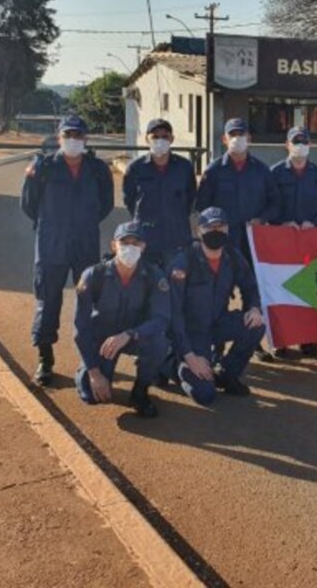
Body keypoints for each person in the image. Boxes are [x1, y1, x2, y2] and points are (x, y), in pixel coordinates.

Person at [21, 115, 114, 387]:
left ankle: (91, 359)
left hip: (85, 241)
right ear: (59, 137)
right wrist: (52, 225)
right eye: (68, 135)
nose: (73, 140)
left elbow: (105, 204)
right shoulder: (43, 167)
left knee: (89, 300)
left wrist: (83, 224)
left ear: (86, 139)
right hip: (52, 242)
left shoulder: (97, 169)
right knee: (48, 299)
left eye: (78, 135)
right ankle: (45, 358)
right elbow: (29, 204)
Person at [73, 222, 170, 418]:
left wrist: (130, 334)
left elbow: (161, 319)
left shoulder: (153, 275)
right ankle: (89, 370)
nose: (130, 248)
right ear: (113, 245)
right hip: (104, 340)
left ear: (144, 247)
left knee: (159, 342)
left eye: (136, 243)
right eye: (124, 242)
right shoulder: (94, 275)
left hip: (134, 335)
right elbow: (80, 328)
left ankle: (140, 391)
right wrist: (94, 372)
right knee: (91, 394)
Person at [168, 208, 267, 400]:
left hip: (217, 322)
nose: (215, 231)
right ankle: (172, 364)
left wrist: (253, 308)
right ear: (199, 231)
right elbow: (174, 314)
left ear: (227, 229)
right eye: (209, 227)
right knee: (204, 394)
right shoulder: (183, 262)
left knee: (256, 326)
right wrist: (190, 356)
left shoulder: (232, 256)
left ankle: (227, 375)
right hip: (191, 332)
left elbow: (250, 286)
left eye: (220, 226)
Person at [270, 126, 317, 357]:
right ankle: (282, 340)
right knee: (283, 291)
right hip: (283, 243)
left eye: (304, 142)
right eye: (295, 141)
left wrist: (314, 222)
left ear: (310, 145)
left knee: (310, 290)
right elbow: (269, 205)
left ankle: (307, 338)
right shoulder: (275, 173)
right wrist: (282, 222)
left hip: (310, 243)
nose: (300, 146)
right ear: (286, 145)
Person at [193, 118, 280, 256]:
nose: (237, 139)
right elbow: (202, 206)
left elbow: (275, 203)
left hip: (254, 240)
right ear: (224, 139)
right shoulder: (213, 171)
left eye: (241, 135)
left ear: (249, 138)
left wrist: (262, 219)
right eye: (232, 135)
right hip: (223, 240)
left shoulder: (262, 171)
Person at [122, 118, 197, 266]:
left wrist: (177, 219)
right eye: (155, 137)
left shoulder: (184, 167)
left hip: (177, 237)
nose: (160, 140)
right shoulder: (135, 168)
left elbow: (191, 198)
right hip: (146, 238)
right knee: (148, 284)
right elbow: (129, 200)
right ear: (146, 139)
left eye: (165, 137)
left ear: (172, 139)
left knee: (177, 283)